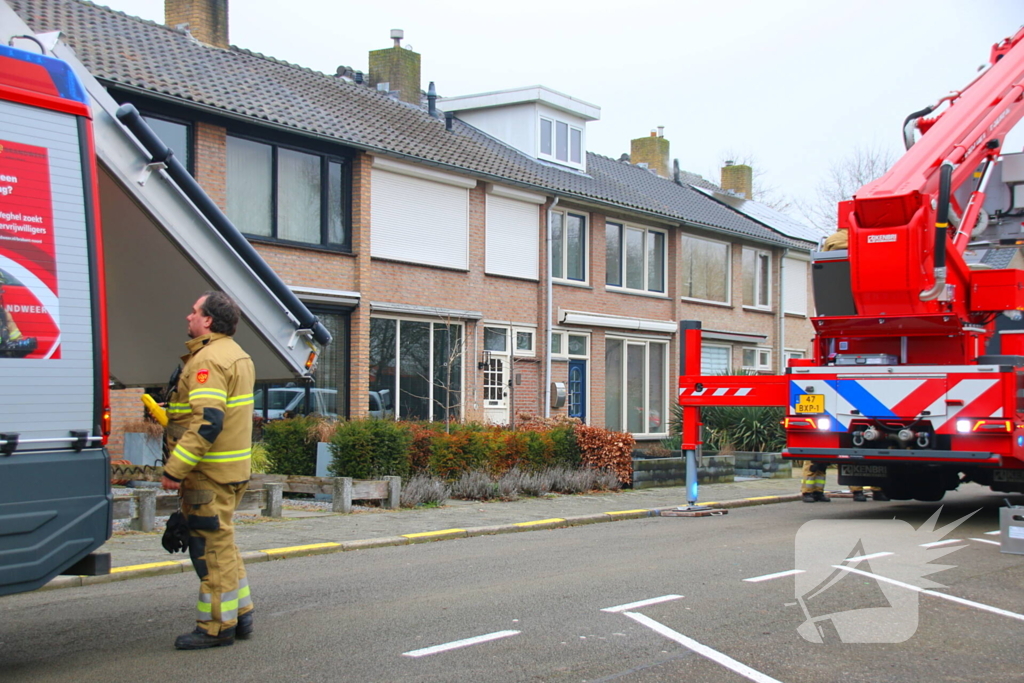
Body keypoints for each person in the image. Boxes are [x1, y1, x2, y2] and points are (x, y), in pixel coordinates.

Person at [160, 291, 256, 650]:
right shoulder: (237, 355)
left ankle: (216, 627)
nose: (188, 317)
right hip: (231, 471)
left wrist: (175, 468)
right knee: (224, 544)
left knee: (209, 551)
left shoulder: (209, 360)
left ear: (209, 321)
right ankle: (241, 613)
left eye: (194, 312)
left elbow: (207, 422)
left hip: (208, 475)